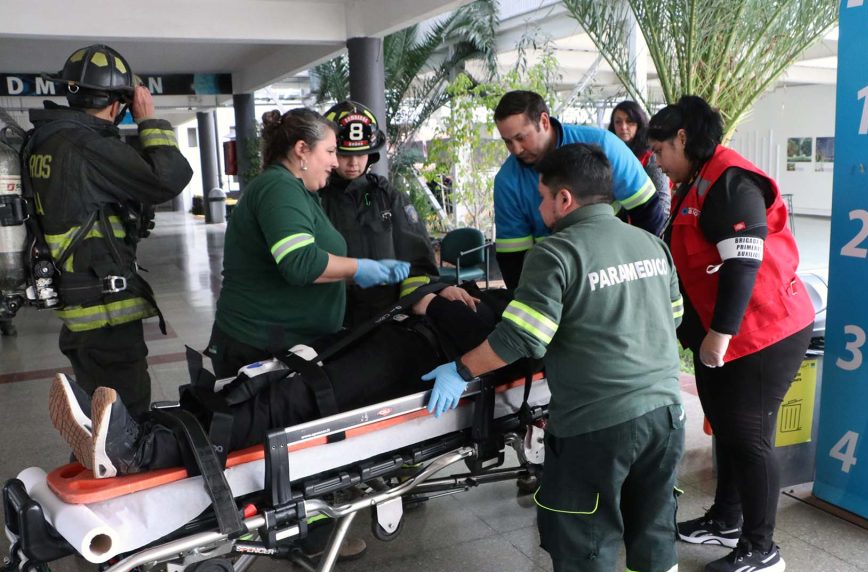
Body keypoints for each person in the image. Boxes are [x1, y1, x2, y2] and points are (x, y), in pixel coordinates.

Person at [423, 143, 685, 572]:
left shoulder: (557, 252)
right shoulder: (650, 244)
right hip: (666, 411)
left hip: (598, 421)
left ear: (564, 199)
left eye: (542, 198)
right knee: (652, 512)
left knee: (584, 522)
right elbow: (671, 316)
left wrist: (459, 369)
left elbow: (521, 339)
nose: (538, 209)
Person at [49, 287, 515, 475]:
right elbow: (435, 298)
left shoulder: (538, 315)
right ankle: (140, 427)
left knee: (291, 401)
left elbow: (491, 339)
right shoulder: (518, 292)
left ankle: (143, 453)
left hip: (416, 365)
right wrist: (435, 301)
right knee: (267, 379)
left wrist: (437, 304)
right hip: (395, 340)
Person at [647, 96, 814, 572]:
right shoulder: (695, 178)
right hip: (726, 331)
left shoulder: (731, 181)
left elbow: (744, 262)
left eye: (660, 149)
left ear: (682, 138)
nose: (656, 161)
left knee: (750, 436)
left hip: (765, 330)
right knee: (724, 425)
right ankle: (726, 518)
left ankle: (762, 549)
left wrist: (719, 335)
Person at [27, 44, 193, 417]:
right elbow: (169, 178)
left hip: (80, 302)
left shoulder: (46, 139)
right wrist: (149, 120)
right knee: (124, 419)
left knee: (100, 414)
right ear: (120, 103)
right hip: (106, 310)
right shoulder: (87, 145)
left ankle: (95, 465)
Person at [204, 107, 410, 378]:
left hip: (287, 343)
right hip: (259, 346)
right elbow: (299, 262)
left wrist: (354, 277)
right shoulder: (279, 187)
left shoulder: (299, 191)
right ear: (302, 149)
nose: (336, 162)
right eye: (330, 151)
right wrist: (359, 267)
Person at [320, 100, 478, 325]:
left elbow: (418, 262)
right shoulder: (314, 198)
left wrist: (425, 295)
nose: (354, 163)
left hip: (386, 318)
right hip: (329, 320)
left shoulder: (389, 198)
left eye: (362, 154)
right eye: (345, 155)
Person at [492, 90, 664, 290]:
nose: (516, 149)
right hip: (556, 283)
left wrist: (636, 275)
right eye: (507, 141)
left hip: (615, 271)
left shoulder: (605, 146)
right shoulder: (507, 182)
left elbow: (649, 212)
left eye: (521, 138)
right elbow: (513, 261)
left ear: (544, 121)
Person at [608, 100, 670, 229]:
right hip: (616, 228)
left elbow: (662, 199)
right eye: (618, 122)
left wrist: (656, 235)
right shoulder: (608, 155)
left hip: (649, 227)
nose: (623, 127)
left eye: (629, 121)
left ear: (639, 124)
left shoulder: (651, 157)